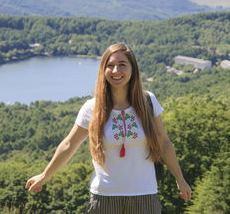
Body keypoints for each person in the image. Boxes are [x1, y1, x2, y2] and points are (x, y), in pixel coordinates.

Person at [25, 43, 191, 213]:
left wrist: (180, 179)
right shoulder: (93, 108)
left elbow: (164, 143)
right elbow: (69, 144)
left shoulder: (148, 102)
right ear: (103, 70)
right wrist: (45, 175)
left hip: (144, 195)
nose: (115, 71)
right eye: (110, 65)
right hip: (104, 197)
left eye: (122, 65)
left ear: (132, 69)